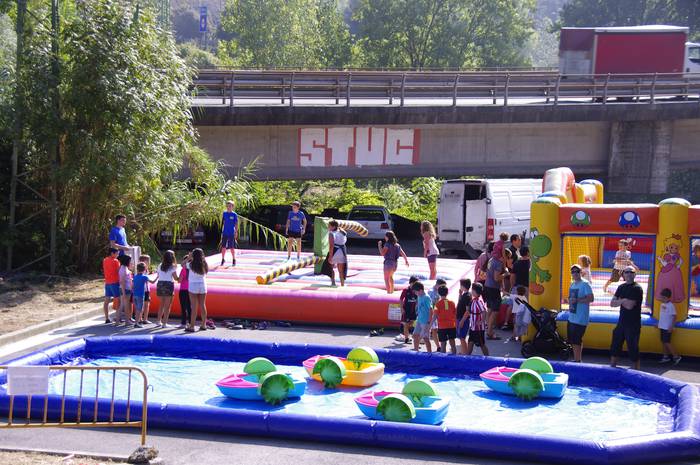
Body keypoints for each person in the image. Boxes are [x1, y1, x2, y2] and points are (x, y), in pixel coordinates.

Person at [610, 266, 644, 370]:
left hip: (633, 324)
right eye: (626, 272)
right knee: (615, 346)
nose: (629, 274)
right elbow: (612, 303)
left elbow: (630, 306)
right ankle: (612, 368)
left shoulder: (637, 288)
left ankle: (637, 371)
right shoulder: (621, 287)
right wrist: (624, 300)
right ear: (623, 274)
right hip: (621, 323)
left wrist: (620, 300)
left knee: (633, 348)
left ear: (635, 274)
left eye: (631, 272)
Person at [567, 264, 594, 363]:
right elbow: (571, 298)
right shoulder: (572, 284)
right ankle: (576, 358)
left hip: (581, 318)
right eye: (573, 272)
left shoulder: (585, 284)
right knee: (572, 340)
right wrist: (569, 300)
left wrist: (577, 300)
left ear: (581, 272)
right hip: (572, 317)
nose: (575, 273)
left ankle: (577, 360)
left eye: (577, 271)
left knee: (577, 339)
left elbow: (591, 298)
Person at [655, 234, 685, 303]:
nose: (674, 249)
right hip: (670, 271)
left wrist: (660, 259)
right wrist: (678, 266)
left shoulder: (676, 255)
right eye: (672, 247)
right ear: (668, 248)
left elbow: (666, 264)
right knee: (669, 283)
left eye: (676, 248)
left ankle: (674, 296)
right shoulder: (667, 255)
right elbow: (680, 261)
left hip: (671, 270)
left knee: (674, 283)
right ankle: (666, 296)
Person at [187, 248, 211, 332]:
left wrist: (188, 258)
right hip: (202, 285)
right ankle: (203, 325)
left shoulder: (190, 264)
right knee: (202, 305)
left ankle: (192, 326)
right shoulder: (205, 264)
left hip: (193, 285)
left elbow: (182, 264)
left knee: (194, 307)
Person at [429, 285, 457, 354]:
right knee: (452, 343)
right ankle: (455, 358)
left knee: (443, 344)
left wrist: (430, 326)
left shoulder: (438, 304)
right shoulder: (452, 303)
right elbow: (455, 315)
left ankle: (443, 359)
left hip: (442, 327)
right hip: (451, 326)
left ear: (439, 293)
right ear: (447, 293)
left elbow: (434, 316)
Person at [155, 250, 179, 328]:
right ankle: (164, 323)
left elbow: (159, 274)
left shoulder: (160, 265)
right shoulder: (173, 266)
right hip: (168, 284)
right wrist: (181, 278)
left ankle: (158, 321)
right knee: (167, 305)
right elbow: (175, 278)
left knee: (161, 304)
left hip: (160, 284)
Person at [657, 288, 681, 365]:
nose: (662, 299)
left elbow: (674, 317)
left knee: (667, 342)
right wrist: (659, 324)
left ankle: (676, 356)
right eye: (661, 297)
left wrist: (671, 326)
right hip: (662, 326)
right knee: (663, 342)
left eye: (663, 298)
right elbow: (663, 315)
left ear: (668, 298)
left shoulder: (671, 306)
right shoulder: (662, 304)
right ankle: (665, 356)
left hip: (667, 327)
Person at [484, 253, 505, 340]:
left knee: (490, 309)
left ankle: (488, 329)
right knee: (495, 311)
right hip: (493, 288)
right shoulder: (498, 263)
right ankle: (489, 332)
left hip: (487, 286)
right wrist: (505, 274)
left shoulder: (491, 259)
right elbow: (496, 278)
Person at [466, 282, 489, 356]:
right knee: (470, 341)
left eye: (472, 290)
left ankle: (487, 358)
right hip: (473, 327)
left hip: (478, 328)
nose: (471, 291)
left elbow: (484, 311)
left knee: (481, 344)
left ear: (476, 291)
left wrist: (482, 321)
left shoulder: (478, 301)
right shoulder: (474, 300)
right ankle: (467, 356)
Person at [132, 262, 155, 328]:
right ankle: (136, 323)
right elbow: (152, 282)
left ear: (137, 269)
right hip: (140, 295)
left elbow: (132, 286)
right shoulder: (144, 277)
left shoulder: (135, 277)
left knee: (137, 309)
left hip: (135, 295)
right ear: (144, 269)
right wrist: (157, 277)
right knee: (139, 309)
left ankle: (138, 321)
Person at [411, 281, 433, 353]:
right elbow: (418, 305)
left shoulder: (426, 298)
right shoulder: (419, 296)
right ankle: (416, 351)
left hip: (425, 321)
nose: (415, 293)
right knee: (415, 335)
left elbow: (431, 309)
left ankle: (429, 353)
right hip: (419, 320)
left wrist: (429, 322)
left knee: (426, 338)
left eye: (416, 292)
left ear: (420, 290)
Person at [398, 276, 419, 343]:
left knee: (411, 324)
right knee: (406, 324)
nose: (416, 284)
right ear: (411, 283)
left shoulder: (417, 290)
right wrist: (401, 308)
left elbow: (418, 299)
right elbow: (401, 299)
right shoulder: (406, 290)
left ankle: (407, 334)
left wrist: (417, 308)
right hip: (406, 310)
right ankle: (406, 338)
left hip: (414, 311)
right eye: (414, 283)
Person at [102, 248, 121, 323]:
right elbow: (119, 271)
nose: (118, 255)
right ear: (112, 253)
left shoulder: (105, 260)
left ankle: (107, 318)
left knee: (106, 300)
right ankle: (117, 318)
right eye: (117, 253)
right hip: (115, 282)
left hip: (108, 282)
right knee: (118, 300)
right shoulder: (116, 261)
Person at [327, 220, 348, 287]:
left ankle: (333, 282)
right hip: (342, 252)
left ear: (333, 227)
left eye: (329, 226)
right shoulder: (343, 232)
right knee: (341, 270)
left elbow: (331, 245)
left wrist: (330, 256)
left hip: (335, 251)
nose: (328, 227)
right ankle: (342, 284)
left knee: (331, 268)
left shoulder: (331, 233)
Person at [455, 279, 472, 354]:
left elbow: (467, 311)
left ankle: (465, 353)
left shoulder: (467, 296)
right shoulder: (464, 295)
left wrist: (462, 321)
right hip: (460, 318)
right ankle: (463, 351)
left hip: (463, 319)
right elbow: (460, 302)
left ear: (463, 286)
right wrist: (460, 294)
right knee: (461, 337)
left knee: (462, 337)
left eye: (460, 285)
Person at [427, 278, 446, 348]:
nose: (443, 288)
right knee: (433, 330)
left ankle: (438, 346)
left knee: (434, 330)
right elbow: (430, 305)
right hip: (431, 313)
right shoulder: (431, 292)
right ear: (438, 284)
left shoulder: (439, 291)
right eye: (442, 286)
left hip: (436, 313)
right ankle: (438, 346)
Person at [221, 200, 239, 266]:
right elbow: (223, 222)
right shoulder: (224, 213)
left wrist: (236, 232)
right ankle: (223, 259)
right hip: (225, 232)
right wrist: (222, 231)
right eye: (228, 206)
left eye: (230, 206)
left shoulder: (234, 214)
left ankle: (234, 259)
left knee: (231, 247)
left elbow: (236, 224)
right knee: (223, 247)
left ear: (232, 207)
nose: (229, 207)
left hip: (231, 233)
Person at [117, 254, 133, 324]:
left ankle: (118, 320)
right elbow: (122, 281)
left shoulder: (124, 268)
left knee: (123, 305)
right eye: (129, 261)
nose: (130, 262)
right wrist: (123, 292)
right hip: (125, 289)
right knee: (125, 305)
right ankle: (126, 321)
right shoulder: (123, 269)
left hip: (126, 289)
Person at [178, 253, 192, 329]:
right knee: (190, 307)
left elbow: (179, 281)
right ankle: (190, 322)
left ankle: (183, 323)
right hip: (191, 290)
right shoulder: (192, 269)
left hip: (183, 290)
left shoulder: (183, 270)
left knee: (183, 307)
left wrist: (177, 278)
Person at [138, 254, 153, 325]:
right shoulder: (141, 270)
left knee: (146, 304)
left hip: (146, 289)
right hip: (143, 289)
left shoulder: (146, 270)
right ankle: (141, 318)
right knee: (143, 304)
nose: (149, 262)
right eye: (148, 261)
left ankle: (144, 319)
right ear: (144, 261)